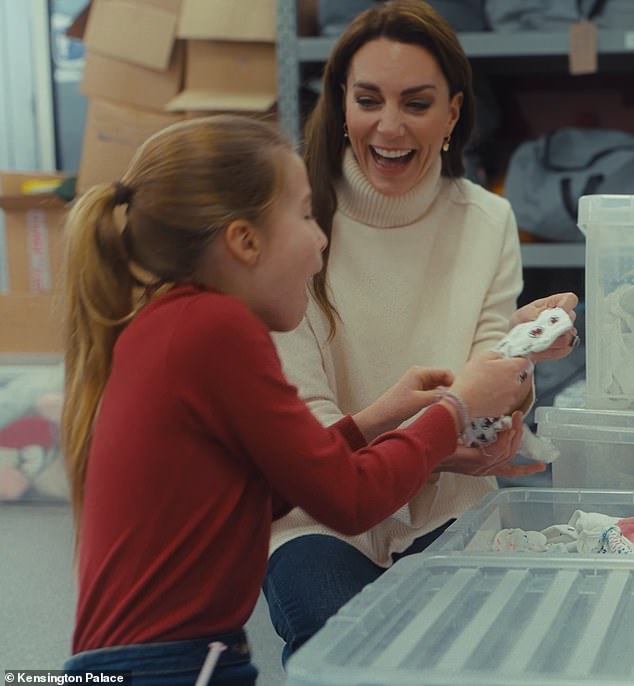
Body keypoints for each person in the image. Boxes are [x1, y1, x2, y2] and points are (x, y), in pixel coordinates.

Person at [59, 114, 532, 685]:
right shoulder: (218, 329)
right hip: (171, 668)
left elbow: (274, 488)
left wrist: (375, 418)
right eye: (307, 216)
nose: (322, 238)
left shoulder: (171, 324)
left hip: (133, 663)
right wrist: (454, 409)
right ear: (245, 241)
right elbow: (348, 498)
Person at [263, 0, 580, 663]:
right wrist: (446, 429)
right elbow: (308, 437)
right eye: (369, 99)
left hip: (447, 504)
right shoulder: (292, 225)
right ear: (342, 106)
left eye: (416, 102)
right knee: (339, 645)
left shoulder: (487, 221)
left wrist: (521, 360)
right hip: (320, 515)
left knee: (469, 651)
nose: (389, 125)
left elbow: (487, 395)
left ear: (453, 113)